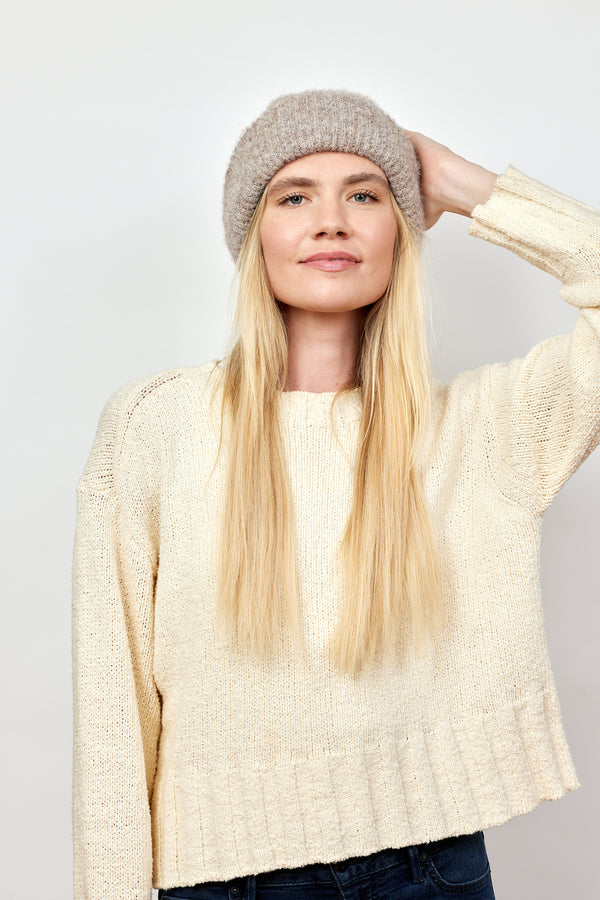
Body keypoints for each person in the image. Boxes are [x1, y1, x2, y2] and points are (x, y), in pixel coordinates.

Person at [71, 90, 600, 900]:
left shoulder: (488, 431)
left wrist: (467, 186)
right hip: (217, 881)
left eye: (366, 194)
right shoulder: (156, 424)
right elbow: (112, 713)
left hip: (427, 867)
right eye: (294, 196)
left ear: (403, 230)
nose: (331, 221)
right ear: (255, 236)